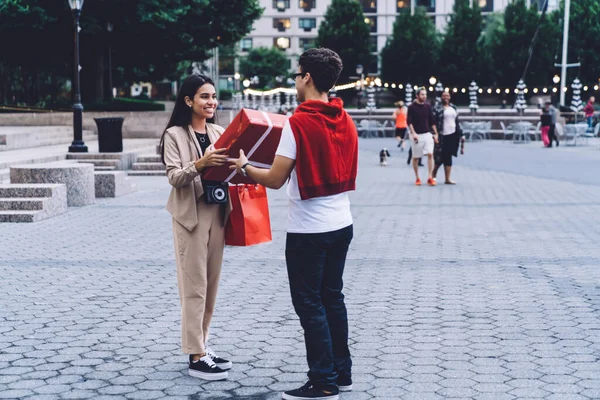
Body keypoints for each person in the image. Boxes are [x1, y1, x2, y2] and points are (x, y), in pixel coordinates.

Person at [230, 48, 357, 400]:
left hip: (308, 230)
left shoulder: (297, 123)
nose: (296, 79)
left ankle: (323, 381)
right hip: (342, 222)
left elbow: (273, 179)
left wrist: (244, 166)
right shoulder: (344, 119)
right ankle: (342, 373)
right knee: (333, 297)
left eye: (298, 73)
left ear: (308, 78)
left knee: (309, 303)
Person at [160, 74, 232, 381]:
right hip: (190, 216)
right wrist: (201, 164)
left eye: (213, 96)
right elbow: (175, 177)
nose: (211, 102)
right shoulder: (174, 135)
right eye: (204, 96)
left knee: (211, 285)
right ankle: (195, 354)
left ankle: (202, 344)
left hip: (218, 212)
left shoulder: (219, 130)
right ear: (188, 100)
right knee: (194, 286)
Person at [407, 87, 439, 186]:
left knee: (430, 154)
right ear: (417, 95)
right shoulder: (411, 107)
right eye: (422, 94)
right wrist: (414, 133)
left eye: (425, 94)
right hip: (416, 134)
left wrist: (435, 133)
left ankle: (430, 177)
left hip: (427, 134)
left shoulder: (427, 106)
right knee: (416, 157)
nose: (424, 96)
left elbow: (432, 120)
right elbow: (409, 121)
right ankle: (417, 177)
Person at [432, 91, 462, 184]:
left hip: (452, 135)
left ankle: (447, 179)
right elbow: (433, 122)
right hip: (441, 135)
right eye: (444, 95)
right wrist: (434, 134)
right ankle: (433, 175)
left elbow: (456, 122)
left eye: (447, 95)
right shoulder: (437, 108)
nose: (446, 97)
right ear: (441, 97)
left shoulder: (453, 107)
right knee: (439, 158)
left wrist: (461, 134)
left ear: (450, 97)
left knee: (448, 156)